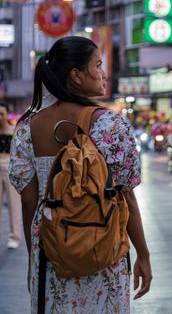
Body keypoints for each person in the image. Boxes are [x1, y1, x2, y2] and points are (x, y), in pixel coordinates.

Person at [9, 36, 152, 313]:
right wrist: (143, 254)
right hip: (104, 248)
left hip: (51, 250)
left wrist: (33, 258)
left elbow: (28, 202)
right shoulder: (110, 124)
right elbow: (126, 198)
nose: (104, 74)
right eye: (97, 65)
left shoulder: (27, 127)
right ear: (76, 75)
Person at [0, 101, 21, 249]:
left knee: (14, 203)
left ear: (7, 114)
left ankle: (15, 236)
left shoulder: (14, 130)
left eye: (2, 113)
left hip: (9, 165)